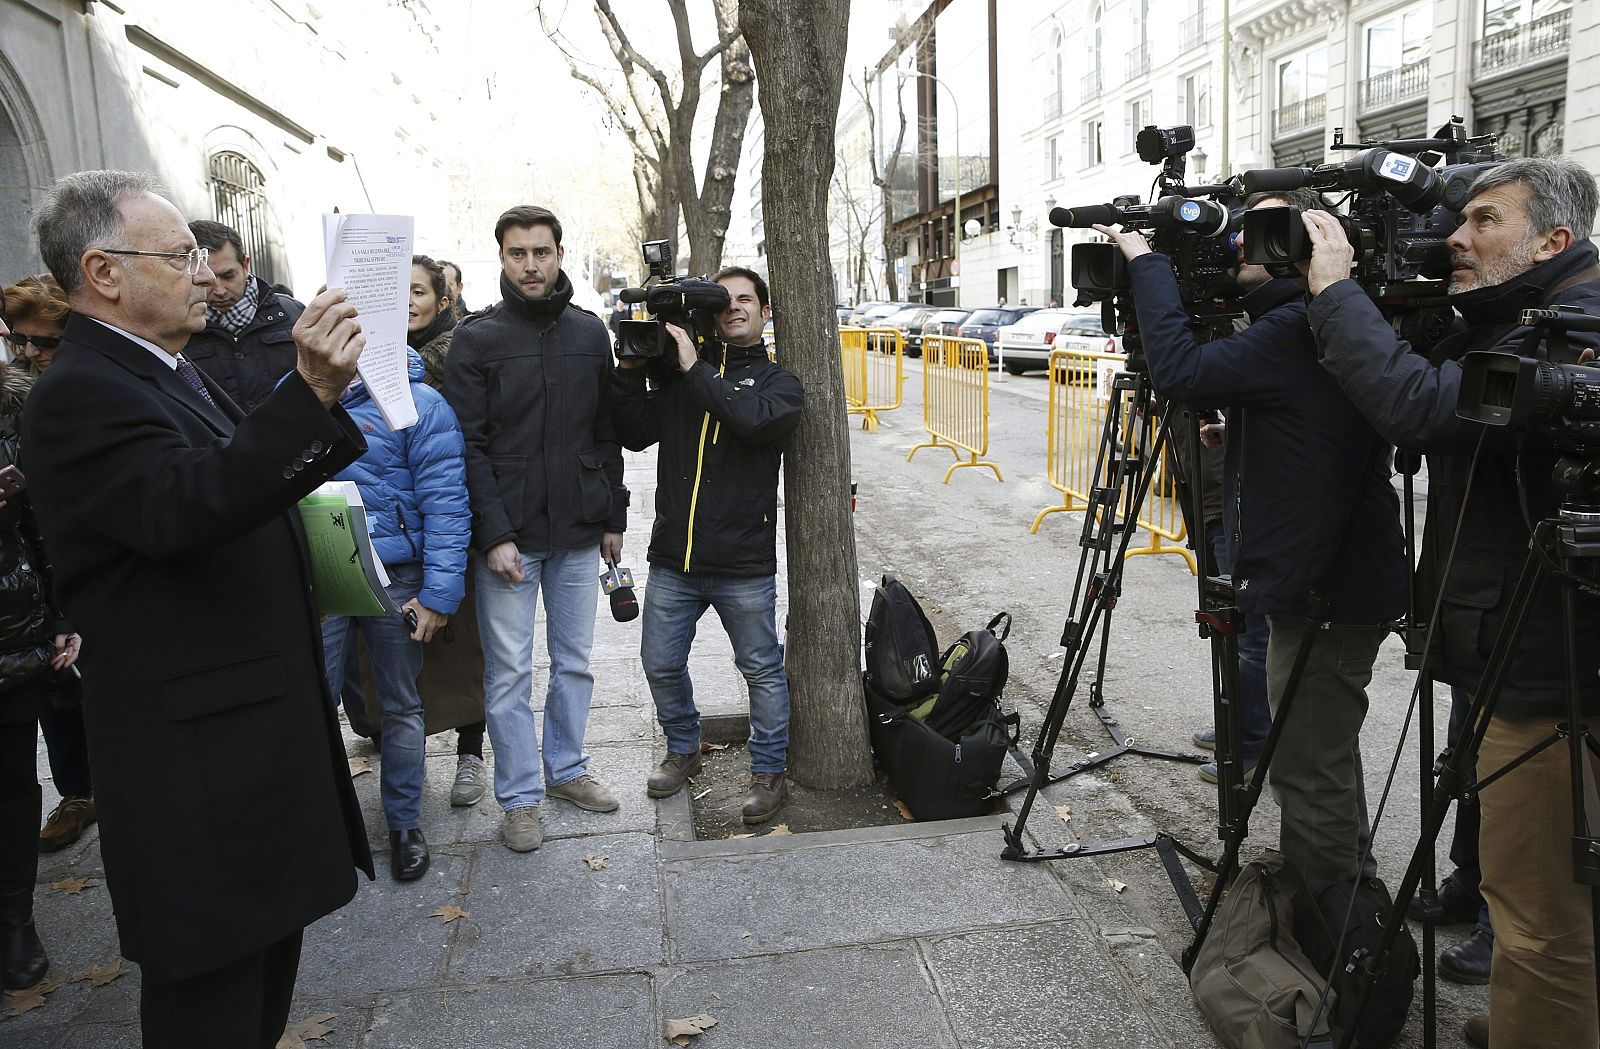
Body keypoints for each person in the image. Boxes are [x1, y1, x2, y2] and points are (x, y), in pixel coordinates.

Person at [21, 170, 373, 1048]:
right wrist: (308, 391)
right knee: (211, 1007)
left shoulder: (161, 367)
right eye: (180, 257)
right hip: (195, 773)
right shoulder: (81, 390)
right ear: (103, 272)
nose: (206, 275)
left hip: (239, 744)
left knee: (258, 989)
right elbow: (185, 507)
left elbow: (231, 478)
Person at [1303, 155, 1600, 1049]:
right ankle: (1532, 1019)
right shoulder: (1530, 313)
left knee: (1538, 913)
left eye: (1483, 221)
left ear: (1551, 240)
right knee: (1548, 904)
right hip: (1533, 653)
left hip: (1550, 679)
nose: (1457, 239)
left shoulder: (1570, 332)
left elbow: (1419, 405)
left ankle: (1540, 1026)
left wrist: (1335, 291)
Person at [1095, 189, 1407, 887]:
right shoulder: (1305, 320)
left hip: (1326, 583)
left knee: (1305, 763)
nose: (1240, 239)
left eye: (1264, 227)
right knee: (1318, 747)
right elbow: (1318, 422)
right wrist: (1244, 430)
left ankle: (1329, 921)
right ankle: (1351, 890)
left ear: (1313, 239)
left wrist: (1145, 262)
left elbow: (1179, 372)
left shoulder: (1298, 322)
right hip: (1323, 575)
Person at [443, 204, 628, 853]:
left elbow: (605, 432)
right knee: (509, 675)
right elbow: (466, 446)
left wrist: (613, 515)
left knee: (575, 662)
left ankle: (567, 769)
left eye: (541, 252)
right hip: (511, 538)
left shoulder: (589, 332)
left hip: (578, 528)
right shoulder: (477, 339)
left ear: (559, 254)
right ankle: (520, 798)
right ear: (501, 258)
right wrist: (493, 534)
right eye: (518, 253)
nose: (530, 264)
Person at [611, 267, 804, 823]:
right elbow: (634, 432)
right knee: (659, 663)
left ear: (765, 312)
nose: (734, 307)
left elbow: (749, 420)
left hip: (743, 562)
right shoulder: (681, 378)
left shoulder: (779, 383)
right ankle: (684, 748)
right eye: (723, 300)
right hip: (675, 557)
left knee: (760, 670)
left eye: (745, 299)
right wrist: (631, 371)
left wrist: (694, 367)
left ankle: (768, 772)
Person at [320, 282, 470, 881]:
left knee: (402, 702)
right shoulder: (297, 397)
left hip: (396, 576)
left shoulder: (420, 404)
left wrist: (437, 596)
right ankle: (323, 822)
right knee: (313, 702)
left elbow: (447, 505)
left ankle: (405, 823)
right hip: (322, 571)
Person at [0, 276, 96, 854]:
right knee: (52, 678)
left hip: (87, 555)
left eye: (44, 341)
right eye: (20, 341)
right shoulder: (16, 397)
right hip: (32, 567)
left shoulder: (97, 381)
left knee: (78, 683)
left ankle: (97, 786)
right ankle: (79, 791)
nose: (31, 352)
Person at [0, 306, 80, 991]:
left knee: (9, 781)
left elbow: (42, 520)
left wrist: (59, 610)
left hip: (10, 625)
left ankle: (14, 918)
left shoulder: (15, 406)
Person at [405, 255, 491, 805]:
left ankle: (470, 754)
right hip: (396, 519)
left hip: (456, 511)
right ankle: (405, 752)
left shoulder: (463, 350)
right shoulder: (367, 355)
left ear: (444, 300)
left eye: (417, 291)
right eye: (397, 291)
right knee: (402, 646)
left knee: (463, 644)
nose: (406, 302)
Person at [185, 219, 302, 413]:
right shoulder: (180, 328)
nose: (220, 290)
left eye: (228, 276)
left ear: (245, 264)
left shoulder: (293, 313)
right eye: (208, 279)